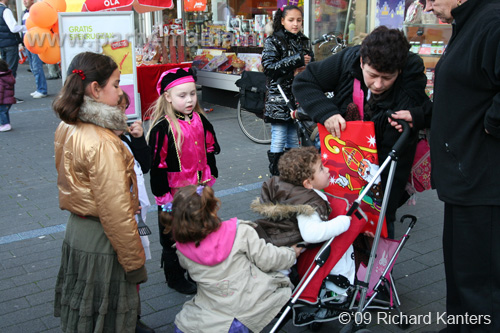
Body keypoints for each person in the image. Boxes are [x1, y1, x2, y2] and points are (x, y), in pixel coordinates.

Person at [391, 0, 500, 331]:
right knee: (460, 270)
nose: (426, 5)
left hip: (482, 178)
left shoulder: (492, 21)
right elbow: (465, 95)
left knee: (480, 280)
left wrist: (490, 125)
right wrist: (424, 116)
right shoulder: (469, 22)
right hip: (462, 176)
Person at [292, 26, 429, 239]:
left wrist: (412, 115)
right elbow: (304, 82)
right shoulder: (349, 59)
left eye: (387, 78)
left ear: (399, 71)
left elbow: (423, 111)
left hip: (386, 170)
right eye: (372, 75)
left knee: (380, 231)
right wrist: (327, 113)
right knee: (340, 226)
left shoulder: (410, 73)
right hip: (343, 166)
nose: (378, 84)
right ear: (362, 62)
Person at [53, 52, 147, 333]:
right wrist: (134, 263)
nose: (120, 92)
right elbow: (116, 212)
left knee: (85, 312)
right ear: (95, 89)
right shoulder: (104, 141)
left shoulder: (66, 124)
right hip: (103, 241)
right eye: (116, 85)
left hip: (78, 232)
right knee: (106, 319)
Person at [160, 185, 301, 333]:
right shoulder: (239, 232)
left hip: (213, 305)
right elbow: (269, 259)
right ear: (213, 210)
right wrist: (290, 252)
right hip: (247, 303)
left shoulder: (182, 249)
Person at [146, 67, 220, 295]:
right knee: (172, 235)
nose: (189, 100)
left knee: (197, 228)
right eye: (182, 95)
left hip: (198, 188)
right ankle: (174, 275)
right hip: (174, 194)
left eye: (193, 94)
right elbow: (157, 166)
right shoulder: (163, 127)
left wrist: (211, 175)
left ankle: (195, 269)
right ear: (167, 97)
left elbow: (210, 149)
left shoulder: (200, 119)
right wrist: (163, 199)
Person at [251, 146, 353, 301]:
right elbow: (312, 234)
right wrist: (342, 222)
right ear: (308, 184)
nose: (327, 170)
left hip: (271, 239)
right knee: (274, 289)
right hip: (282, 253)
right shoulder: (308, 203)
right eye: (321, 169)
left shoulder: (288, 190)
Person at [116, 92, 155, 333]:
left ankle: (135, 314)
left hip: (136, 214)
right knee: (125, 268)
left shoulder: (126, 138)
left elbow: (145, 166)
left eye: (124, 110)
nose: (123, 116)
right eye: (118, 111)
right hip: (121, 214)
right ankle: (127, 317)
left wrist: (139, 140)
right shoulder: (105, 142)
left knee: (136, 265)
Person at [261, 5, 314, 176]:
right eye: (291, 20)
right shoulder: (273, 40)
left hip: (297, 95)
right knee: (279, 135)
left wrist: (306, 67)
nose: (295, 24)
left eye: (299, 20)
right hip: (279, 97)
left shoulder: (304, 40)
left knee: (293, 136)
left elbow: (310, 65)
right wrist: (296, 62)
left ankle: (291, 174)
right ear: (282, 21)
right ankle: (276, 175)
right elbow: (268, 67)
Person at [21, 0, 47, 99]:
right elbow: (23, 30)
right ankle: (39, 88)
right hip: (27, 43)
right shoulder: (24, 13)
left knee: (37, 66)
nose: (24, 1)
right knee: (33, 67)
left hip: (35, 42)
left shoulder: (36, 12)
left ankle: (42, 89)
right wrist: (21, 42)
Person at [0, 0, 25, 103]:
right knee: (10, 71)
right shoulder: (5, 10)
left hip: (2, 44)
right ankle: (10, 96)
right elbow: (14, 28)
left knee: (3, 71)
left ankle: (4, 95)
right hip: (10, 44)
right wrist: (26, 27)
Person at [0, 58, 15, 132]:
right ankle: (6, 124)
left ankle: (5, 124)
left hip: (4, 99)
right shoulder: (8, 75)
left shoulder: (1, 78)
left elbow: (0, 91)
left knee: (2, 112)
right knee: (4, 112)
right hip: (8, 99)